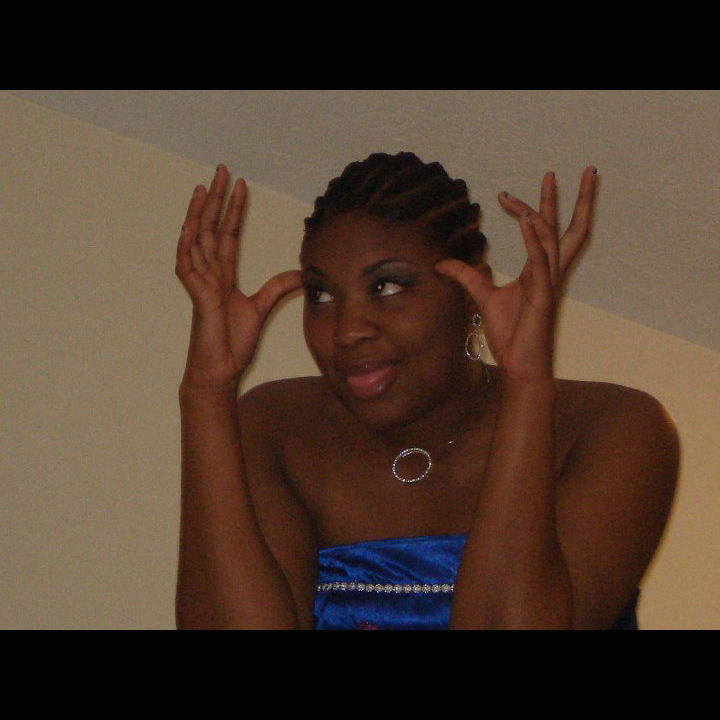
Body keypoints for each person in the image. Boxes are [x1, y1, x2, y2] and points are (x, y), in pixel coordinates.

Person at [174, 152, 679, 630]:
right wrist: (206, 392)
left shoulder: (613, 428)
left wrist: (527, 384)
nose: (348, 330)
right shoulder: (276, 427)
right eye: (321, 294)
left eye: (388, 286)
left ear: (471, 292)